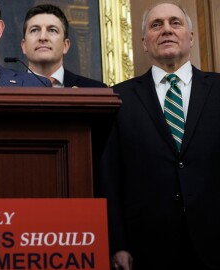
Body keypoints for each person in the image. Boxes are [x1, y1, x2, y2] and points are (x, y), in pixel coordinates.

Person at [99, 2, 220, 269]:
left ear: (190, 36)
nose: (166, 30)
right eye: (156, 25)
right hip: (147, 248)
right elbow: (111, 177)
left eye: (175, 23)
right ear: (144, 42)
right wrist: (117, 243)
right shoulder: (118, 98)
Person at [21, 4, 106, 88]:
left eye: (52, 30)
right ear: (24, 46)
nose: (43, 37)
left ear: (65, 45)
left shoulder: (96, 90)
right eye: (34, 30)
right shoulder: (9, 88)